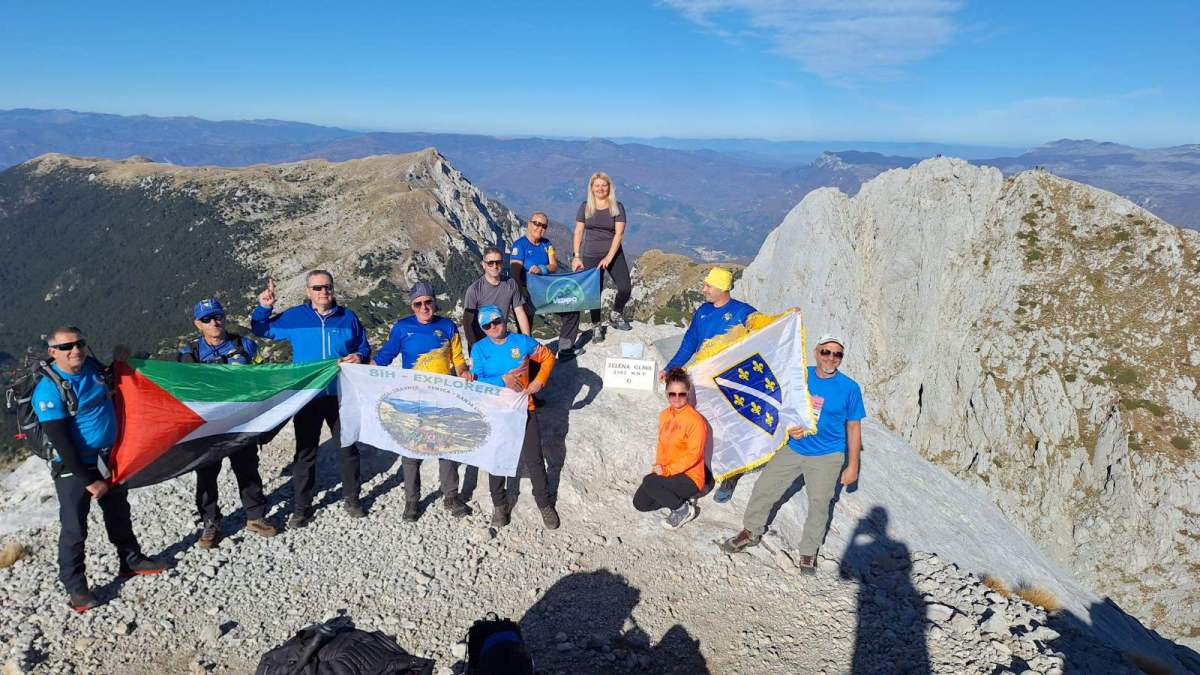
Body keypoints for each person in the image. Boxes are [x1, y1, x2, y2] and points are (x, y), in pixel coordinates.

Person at [32, 326, 169, 612]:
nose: (75, 350)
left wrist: (120, 361)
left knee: (118, 510)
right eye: (67, 346)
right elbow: (61, 441)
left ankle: (130, 560)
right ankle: (76, 587)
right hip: (74, 466)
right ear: (52, 352)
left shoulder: (90, 367)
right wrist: (89, 480)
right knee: (74, 527)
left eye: (79, 343)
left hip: (108, 457)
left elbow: (109, 383)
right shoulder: (49, 389)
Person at [719, 335, 864, 575]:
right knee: (764, 487)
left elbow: (854, 426)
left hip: (827, 455)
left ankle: (808, 551)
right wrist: (787, 427)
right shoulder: (800, 376)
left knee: (819, 503)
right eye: (826, 352)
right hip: (794, 447)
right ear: (817, 352)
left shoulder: (850, 388)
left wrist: (853, 466)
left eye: (837, 354)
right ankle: (751, 532)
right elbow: (780, 405)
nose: (831, 358)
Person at [251, 271, 371, 528]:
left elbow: (363, 345)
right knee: (305, 452)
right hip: (307, 395)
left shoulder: (347, 317)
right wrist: (264, 306)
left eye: (327, 287)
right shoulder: (296, 316)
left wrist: (359, 357)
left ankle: (352, 499)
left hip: (341, 393)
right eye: (317, 288)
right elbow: (261, 329)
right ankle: (301, 508)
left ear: (333, 289)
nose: (322, 292)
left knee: (347, 448)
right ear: (308, 292)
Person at [178, 297, 277, 547]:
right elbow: (178, 389)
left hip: (240, 422)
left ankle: (255, 516)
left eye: (218, 316)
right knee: (206, 474)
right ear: (197, 324)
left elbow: (263, 377)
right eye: (207, 319)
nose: (214, 322)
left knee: (247, 468)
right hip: (207, 425)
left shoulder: (245, 345)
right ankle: (210, 521)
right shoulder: (188, 353)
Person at [372, 281, 474, 522]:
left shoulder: (447, 326)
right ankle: (411, 502)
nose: (424, 307)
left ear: (434, 302)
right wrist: (362, 368)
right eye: (418, 304)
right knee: (411, 452)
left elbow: (458, 359)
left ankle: (451, 496)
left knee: (447, 448)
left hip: (443, 399)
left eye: (428, 302)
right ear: (412, 306)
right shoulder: (401, 328)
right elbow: (386, 356)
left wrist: (463, 372)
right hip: (413, 399)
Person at [660, 266, 757, 502]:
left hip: (732, 382)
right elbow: (689, 343)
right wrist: (672, 367)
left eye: (708, 286)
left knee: (732, 427)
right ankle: (704, 474)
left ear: (723, 288)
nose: (703, 289)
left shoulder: (743, 312)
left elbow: (764, 333)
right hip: (705, 380)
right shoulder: (703, 311)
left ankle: (732, 474)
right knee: (703, 427)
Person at [468, 304, 559, 530]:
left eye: (496, 321)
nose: (493, 327)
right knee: (497, 459)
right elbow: (475, 381)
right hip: (496, 412)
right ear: (482, 328)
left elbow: (547, 357)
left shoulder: (521, 342)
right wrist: (502, 381)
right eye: (486, 325)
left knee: (534, 459)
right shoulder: (479, 349)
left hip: (523, 410)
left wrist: (540, 381)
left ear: (504, 319)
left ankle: (544, 504)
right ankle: (500, 505)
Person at [558, 172, 633, 358]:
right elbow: (578, 232)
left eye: (604, 185)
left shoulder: (617, 207)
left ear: (609, 187)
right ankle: (596, 325)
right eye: (596, 185)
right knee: (593, 294)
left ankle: (615, 314)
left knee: (625, 288)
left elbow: (619, 235)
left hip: (614, 254)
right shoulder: (585, 207)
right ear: (591, 188)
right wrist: (576, 256)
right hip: (590, 254)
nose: (600, 189)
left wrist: (609, 257)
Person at [632, 368, 707, 529]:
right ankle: (678, 498)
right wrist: (659, 469)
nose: (677, 398)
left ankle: (682, 509)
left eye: (682, 394)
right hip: (669, 471)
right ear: (666, 394)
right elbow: (662, 445)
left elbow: (693, 455)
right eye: (672, 394)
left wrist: (666, 472)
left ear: (688, 393)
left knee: (649, 482)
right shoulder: (664, 414)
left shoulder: (695, 421)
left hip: (690, 477)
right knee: (641, 503)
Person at [463, 246, 531, 348]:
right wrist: (475, 349)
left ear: (502, 264)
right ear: (483, 265)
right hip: (481, 342)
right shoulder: (474, 290)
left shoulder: (511, 283)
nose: (495, 266)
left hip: (502, 339)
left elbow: (520, 312)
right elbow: (467, 324)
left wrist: (527, 340)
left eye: (498, 262)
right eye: (490, 263)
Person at [509, 212, 557, 326]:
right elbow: (514, 274)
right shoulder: (519, 245)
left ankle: (566, 343)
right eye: (537, 224)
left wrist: (542, 269)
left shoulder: (547, 244)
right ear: (529, 224)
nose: (540, 228)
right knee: (525, 328)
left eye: (544, 226)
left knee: (571, 311)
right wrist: (520, 298)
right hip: (526, 291)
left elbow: (554, 266)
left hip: (545, 289)